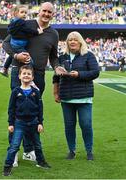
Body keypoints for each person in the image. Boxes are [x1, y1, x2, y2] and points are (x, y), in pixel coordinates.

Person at [2, 2, 64, 165]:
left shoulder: (54, 34)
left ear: (52, 14)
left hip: (39, 76)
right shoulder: (25, 23)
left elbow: (53, 56)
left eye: (49, 12)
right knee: (17, 112)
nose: (46, 14)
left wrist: (57, 66)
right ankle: (13, 152)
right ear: (39, 11)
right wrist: (16, 56)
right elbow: (6, 43)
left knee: (32, 113)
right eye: (44, 10)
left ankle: (28, 151)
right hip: (20, 73)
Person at [53, 31, 100, 161]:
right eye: (70, 40)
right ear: (67, 42)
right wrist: (56, 92)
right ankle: (71, 150)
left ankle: (89, 150)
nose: (72, 42)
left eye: (75, 39)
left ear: (80, 42)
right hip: (66, 97)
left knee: (86, 124)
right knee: (69, 125)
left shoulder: (88, 55)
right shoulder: (62, 57)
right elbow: (55, 76)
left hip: (84, 97)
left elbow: (95, 72)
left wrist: (79, 74)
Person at [2, 65, 51, 176]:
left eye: (29, 74)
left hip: (33, 122)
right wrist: (11, 123)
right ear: (19, 76)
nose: (26, 75)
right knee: (14, 145)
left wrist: (40, 123)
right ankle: (7, 166)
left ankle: (41, 162)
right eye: (24, 73)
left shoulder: (36, 92)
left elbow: (40, 108)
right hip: (19, 123)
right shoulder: (16, 91)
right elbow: (11, 109)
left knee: (37, 144)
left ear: (32, 77)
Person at [0, 5, 43, 77]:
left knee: (12, 56)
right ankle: (31, 76)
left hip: (14, 44)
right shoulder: (21, 22)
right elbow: (28, 30)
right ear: (16, 13)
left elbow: (11, 30)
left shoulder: (14, 22)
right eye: (22, 12)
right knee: (29, 60)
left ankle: (4, 68)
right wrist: (37, 32)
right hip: (19, 45)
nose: (24, 14)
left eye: (26, 13)